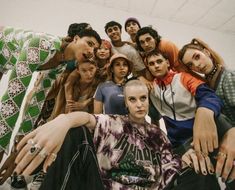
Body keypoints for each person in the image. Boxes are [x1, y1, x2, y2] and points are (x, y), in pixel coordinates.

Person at [0, 26, 101, 183]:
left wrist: (18, 149)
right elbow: (14, 96)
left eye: (95, 49)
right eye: (89, 43)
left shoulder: (59, 64)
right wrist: (1, 147)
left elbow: (36, 103)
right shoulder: (42, 45)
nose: (91, 51)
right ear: (75, 39)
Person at [145, 50, 235, 187]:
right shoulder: (151, 89)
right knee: (200, 180)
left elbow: (209, 96)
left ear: (167, 62)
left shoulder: (183, 78)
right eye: (151, 64)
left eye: (159, 61)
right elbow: (153, 116)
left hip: (202, 135)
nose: (156, 66)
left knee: (227, 171)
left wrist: (205, 109)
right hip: (178, 144)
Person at [178, 38, 235, 187]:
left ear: (206, 52)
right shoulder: (208, 85)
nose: (197, 65)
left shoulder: (228, 77)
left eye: (197, 57)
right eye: (191, 65)